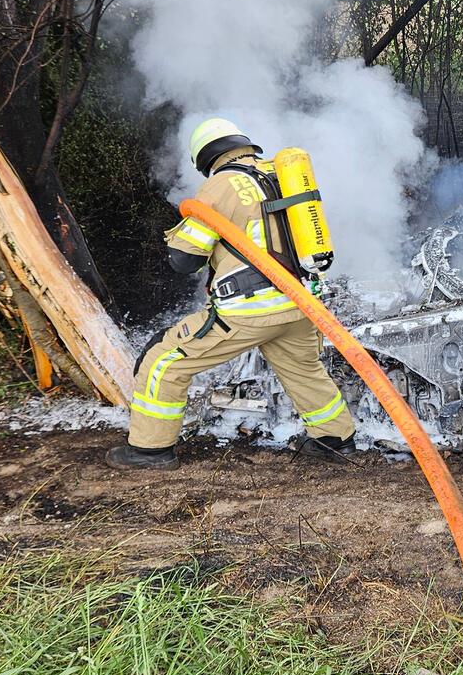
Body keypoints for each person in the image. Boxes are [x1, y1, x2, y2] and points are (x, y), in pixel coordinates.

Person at [106, 118, 354, 471]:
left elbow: (184, 259)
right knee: (304, 369)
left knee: (164, 361)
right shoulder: (282, 174)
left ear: (206, 158)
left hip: (251, 309)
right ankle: (335, 440)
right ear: (243, 144)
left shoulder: (221, 185)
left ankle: (150, 450)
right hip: (300, 304)